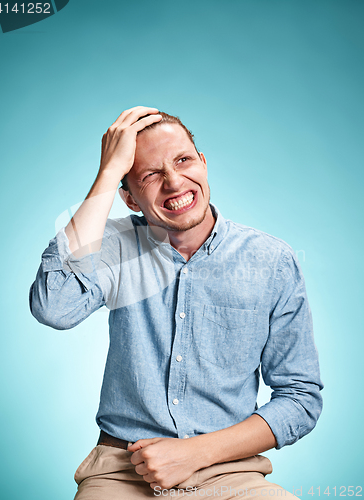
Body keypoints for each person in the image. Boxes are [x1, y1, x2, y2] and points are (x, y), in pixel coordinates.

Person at [29, 106, 323, 499]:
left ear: (203, 163)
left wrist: (194, 453)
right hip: (121, 471)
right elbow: (54, 306)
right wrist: (107, 175)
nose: (173, 181)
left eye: (183, 160)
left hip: (230, 475)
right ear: (130, 199)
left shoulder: (271, 261)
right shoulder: (114, 248)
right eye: (149, 176)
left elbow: (300, 399)